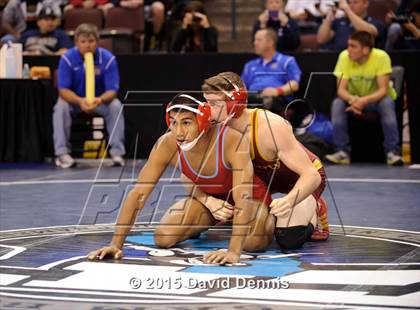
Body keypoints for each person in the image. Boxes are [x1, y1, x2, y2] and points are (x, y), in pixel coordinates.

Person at [87, 94, 274, 264]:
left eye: (186, 123)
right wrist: (116, 244)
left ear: (202, 122)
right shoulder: (167, 144)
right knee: (163, 237)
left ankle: (271, 218)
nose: (178, 132)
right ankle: (220, 223)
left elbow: (244, 197)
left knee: (253, 243)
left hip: (251, 198)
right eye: (174, 122)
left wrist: (233, 252)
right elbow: (138, 193)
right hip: (211, 201)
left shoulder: (231, 140)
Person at [194, 71, 330, 250]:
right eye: (206, 102)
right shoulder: (213, 126)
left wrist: (289, 201)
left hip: (299, 179)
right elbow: (194, 173)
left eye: (213, 104)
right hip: (261, 179)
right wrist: (209, 200)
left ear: (234, 103)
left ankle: (316, 207)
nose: (206, 109)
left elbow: (311, 176)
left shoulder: (269, 126)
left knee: (288, 238)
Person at [325, 31, 403, 166]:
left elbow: (383, 90)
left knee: (387, 104)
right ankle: (341, 152)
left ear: (366, 49)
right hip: (353, 100)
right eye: (348, 45)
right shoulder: (344, 57)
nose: (348, 49)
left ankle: (392, 152)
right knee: (337, 104)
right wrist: (353, 100)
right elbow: (341, 90)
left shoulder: (381, 57)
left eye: (353, 46)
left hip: (376, 100)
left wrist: (363, 101)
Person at [53, 23, 126, 168]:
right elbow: (63, 90)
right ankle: (62, 154)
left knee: (116, 105)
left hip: (100, 101)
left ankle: (117, 153)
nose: (87, 45)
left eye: (91, 41)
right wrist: (80, 101)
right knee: (61, 106)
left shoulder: (108, 59)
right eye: (83, 42)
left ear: (97, 42)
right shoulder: (67, 59)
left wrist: (98, 100)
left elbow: (112, 90)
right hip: (76, 101)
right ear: (76, 43)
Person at [241, 28, 301, 114]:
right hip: (252, 97)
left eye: (259, 40)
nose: (254, 43)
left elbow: (294, 85)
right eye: (255, 40)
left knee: (267, 100)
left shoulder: (287, 61)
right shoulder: (250, 65)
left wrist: (277, 91)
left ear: (270, 42)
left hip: (276, 99)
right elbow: (242, 87)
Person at [317, 0, 384, 51]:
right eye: (349, 2)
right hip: (338, 58)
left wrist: (348, 10)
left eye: (355, 2)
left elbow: (367, 33)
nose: (351, 5)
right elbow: (321, 39)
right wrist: (329, 15)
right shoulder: (340, 21)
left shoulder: (375, 22)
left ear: (365, 4)